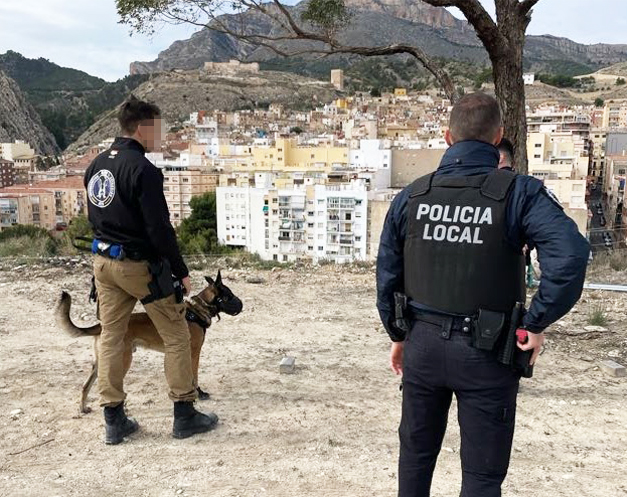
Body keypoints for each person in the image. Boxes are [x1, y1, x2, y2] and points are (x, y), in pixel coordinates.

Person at [376, 93, 589, 497]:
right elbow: (571, 257)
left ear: (446, 136)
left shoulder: (412, 195)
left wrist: (398, 334)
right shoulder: (519, 193)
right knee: (482, 476)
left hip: (421, 345)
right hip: (487, 353)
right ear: (499, 137)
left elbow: (387, 275)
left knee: (416, 457)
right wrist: (535, 322)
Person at [84, 96, 218, 444]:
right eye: (157, 128)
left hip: (103, 262)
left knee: (112, 338)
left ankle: (114, 419)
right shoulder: (143, 170)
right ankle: (184, 415)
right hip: (139, 266)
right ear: (143, 128)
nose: (161, 135)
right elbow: (159, 228)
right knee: (177, 336)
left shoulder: (97, 164)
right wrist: (180, 270)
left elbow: (95, 218)